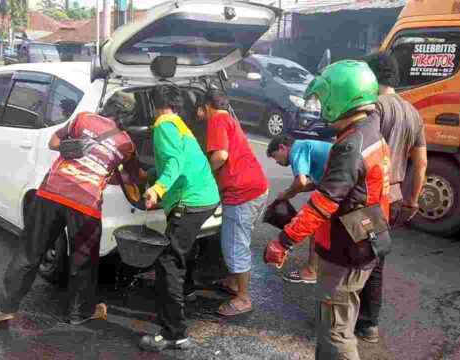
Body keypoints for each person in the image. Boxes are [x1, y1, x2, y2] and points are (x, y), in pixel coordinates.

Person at [264, 60, 391, 360]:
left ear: (341, 98)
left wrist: (282, 242)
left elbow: (322, 204)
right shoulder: (369, 130)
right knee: (332, 323)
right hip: (366, 236)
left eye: (324, 98)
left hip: (348, 250)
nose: (321, 106)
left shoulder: (351, 147)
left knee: (336, 332)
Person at [0, 91, 143, 325]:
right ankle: (79, 314)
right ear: (128, 117)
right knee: (83, 261)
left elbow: (53, 143)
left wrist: (78, 151)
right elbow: (131, 177)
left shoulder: (82, 118)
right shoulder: (127, 144)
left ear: (107, 106)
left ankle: (5, 309)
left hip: (52, 191)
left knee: (29, 252)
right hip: (86, 204)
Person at [354, 51, 428, 343]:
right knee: (376, 260)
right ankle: (369, 323)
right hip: (395, 199)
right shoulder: (413, 112)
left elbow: (360, 155)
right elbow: (420, 163)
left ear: (371, 77)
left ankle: (352, 320)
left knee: (355, 260)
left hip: (370, 197)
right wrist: (412, 199)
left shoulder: (372, 109)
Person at [139, 84, 220, 352]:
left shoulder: (163, 124)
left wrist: (156, 189)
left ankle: (175, 333)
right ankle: (184, 296)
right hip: (205, 196)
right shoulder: (180, 124)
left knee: (167, 262)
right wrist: (151, 176)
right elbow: (176, 160)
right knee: (179, 252)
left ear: (154, 105)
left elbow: (174, 162)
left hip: (190, 200)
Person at [196, 90, 269, 316]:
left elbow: (220, 156)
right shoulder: (229, 118)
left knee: (236, 245)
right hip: (257, 187)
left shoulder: (217, 120)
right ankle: (233, 282)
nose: (198, 116)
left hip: (242, 193)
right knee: (238, 239)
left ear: (207, 107)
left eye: (199, 111)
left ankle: (243, 298)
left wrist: (203, 174)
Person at [266, 135, 332, 284]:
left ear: (283, 147)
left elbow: (301, 181)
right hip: (345, 182)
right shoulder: (306, 146)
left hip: (340, 185)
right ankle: (329, 267)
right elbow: (314, 184)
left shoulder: (297, 149)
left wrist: (288, 194)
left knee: (316, 226)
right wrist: (290, 192)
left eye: (276, 157)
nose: (278, 162)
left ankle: (311, 271)